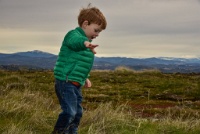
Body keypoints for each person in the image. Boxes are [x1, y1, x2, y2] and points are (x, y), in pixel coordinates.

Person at [52, 4, 107, 134]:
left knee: (77, 113)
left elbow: (80, 64)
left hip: (76, 83)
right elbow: (75, 42)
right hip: (65, 82)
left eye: (99, 32)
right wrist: (85, 43)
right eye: (96, 30)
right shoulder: (73, 35)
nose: (97, 34)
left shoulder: (87, 45)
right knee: (69, 112)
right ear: (85, 24)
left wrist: (85, 77)